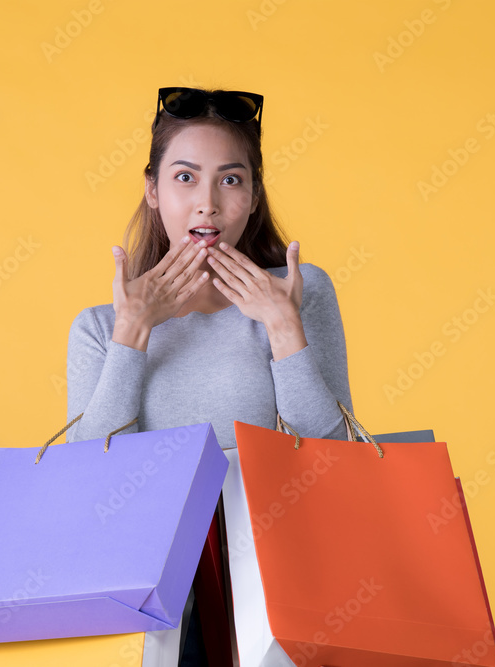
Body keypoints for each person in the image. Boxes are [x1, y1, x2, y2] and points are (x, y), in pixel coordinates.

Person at [65, 87, 353, 665]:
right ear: (152, 190)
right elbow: (86, 479)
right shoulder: (99, 328)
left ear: (252, 196)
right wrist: (133, 334)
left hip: (278, 578)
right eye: (185, 177)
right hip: (155, 589)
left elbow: (335, 454)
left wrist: (282, 325)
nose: (208, 204)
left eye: (230, 179)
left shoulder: (299, 291)